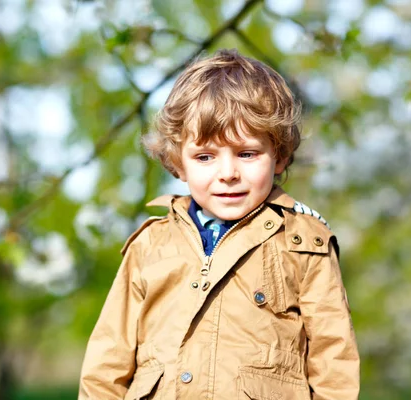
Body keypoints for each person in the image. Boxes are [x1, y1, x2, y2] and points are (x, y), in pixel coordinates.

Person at [79, 49, 359, 399]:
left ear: (280, 156)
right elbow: (107, 361)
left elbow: (334, 363)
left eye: (246, 154)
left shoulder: (305, 242)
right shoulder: (149, 246)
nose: (227, 174)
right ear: (178, 163)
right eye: (205, 157)